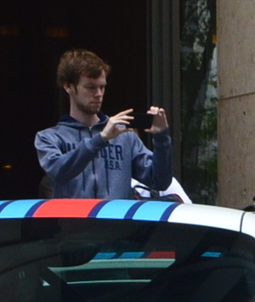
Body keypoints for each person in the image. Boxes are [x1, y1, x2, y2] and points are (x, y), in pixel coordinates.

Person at [35, 49, 177, 201]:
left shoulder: (124, 135)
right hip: (73, 224)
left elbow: (159, 181)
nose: (98, 94)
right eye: (90, 87)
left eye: (102, 87)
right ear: (68, 87)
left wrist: (161, 137)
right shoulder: (49, 137)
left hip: (116, 223)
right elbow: (59, 172)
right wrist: (100, 139)